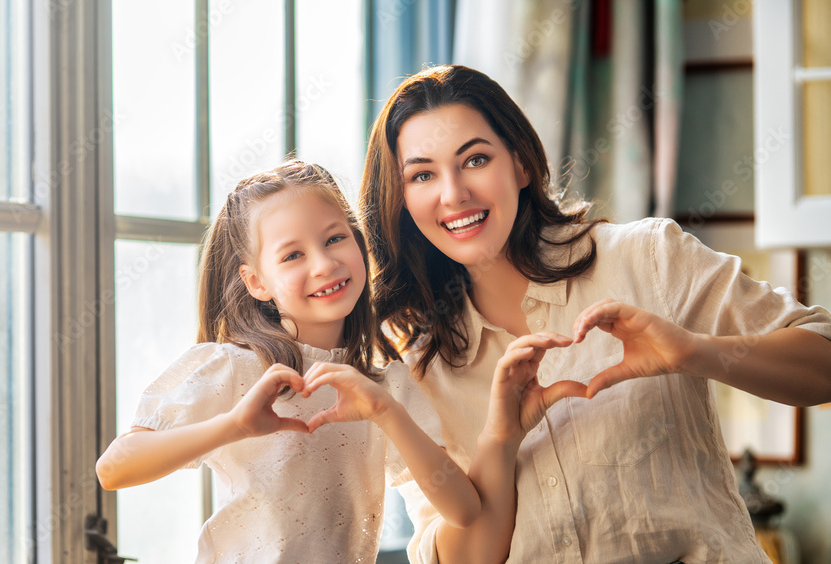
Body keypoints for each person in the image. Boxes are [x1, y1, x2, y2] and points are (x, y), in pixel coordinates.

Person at [359, 64, 831, 564]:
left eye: (474, 159)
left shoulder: (646, 258)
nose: (453, 193)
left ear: (520, 166)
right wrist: (499, 441)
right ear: (402, 200)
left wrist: (695, 352)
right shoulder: (409, 356)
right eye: (423, 174)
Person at [96, 160, 489, 563]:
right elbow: (113, 469)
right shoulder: (234, 367)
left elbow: (465, 510)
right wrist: (235, 425)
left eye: (335, 239)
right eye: (292, 255)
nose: (323, 264)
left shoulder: (386, 388)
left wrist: (386, 412)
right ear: (256, 283)